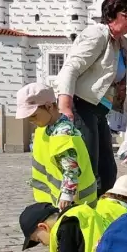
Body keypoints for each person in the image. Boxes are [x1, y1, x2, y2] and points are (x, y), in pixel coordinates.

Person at [54, 0, 127, 196]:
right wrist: (64, 104)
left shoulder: (119, 43)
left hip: (99, 109)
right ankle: (78, 215)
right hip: (81, 105)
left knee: (107, 171)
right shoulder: (98, 34)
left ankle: (99, 211)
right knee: (89, 166)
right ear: (111, 15)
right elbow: (71, 67)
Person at [16, 83, 95, 211]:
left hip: (76, 202)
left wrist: (67, 194)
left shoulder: (63, 133)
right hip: (55, 198)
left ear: (49, 106)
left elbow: (71, 168)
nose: (31, 121)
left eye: (34, 116)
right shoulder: (44, 129)